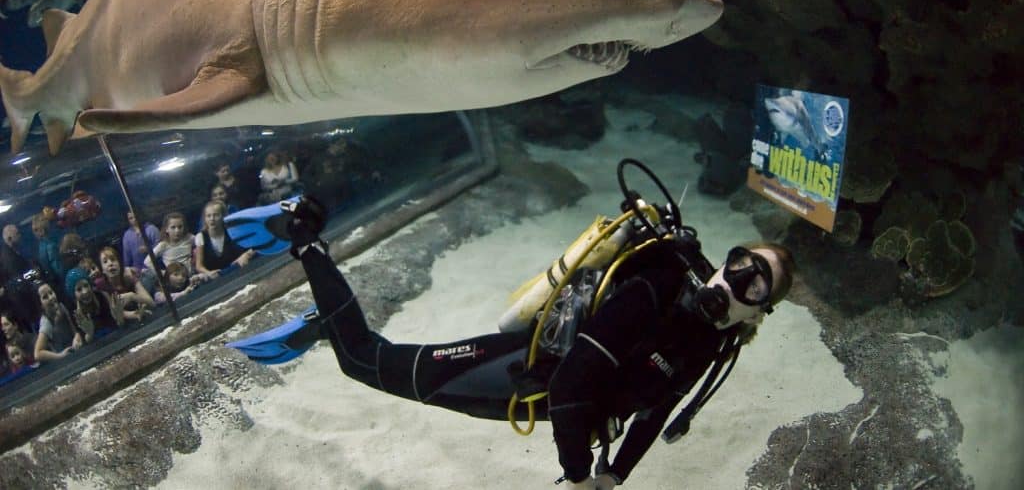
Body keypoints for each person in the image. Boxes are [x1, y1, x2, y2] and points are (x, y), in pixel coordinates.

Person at [235, 191, 795, 488]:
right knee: (365, 363)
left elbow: (656, 409)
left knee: (366, 357)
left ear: (758, 312)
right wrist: (578, 477)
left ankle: (325, 319)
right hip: (515, 370)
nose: (736, 279)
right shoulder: (658, 287)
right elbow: (572, 384)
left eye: (754, 282)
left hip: (531, 396)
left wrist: (615, 474)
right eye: (739, 263)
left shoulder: (712, 343)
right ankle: (302, 231)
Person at [194, 201, 256, 276]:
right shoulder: (200, 237)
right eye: (208, 216)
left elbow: (255, 245)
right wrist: (208, 273)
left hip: (237, 271)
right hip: (216, 277)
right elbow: (199, 266)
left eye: (216, 215)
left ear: (223, 216)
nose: (212, 219)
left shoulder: (233, 230)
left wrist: (246, 254)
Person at [93, 246, 154, 322]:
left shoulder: (129, 277)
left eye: (113, 259)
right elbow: (115, 313)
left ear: (120, 264)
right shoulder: (102, 285)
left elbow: (151, 302)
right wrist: (135, 314)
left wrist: (132, 296)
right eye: (105, 262)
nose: (110, 263)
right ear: (102, 270)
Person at [34, 281, 83, 362]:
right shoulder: (46, 322)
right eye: (45, 297)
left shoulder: (62, 307)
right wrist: (60, 356)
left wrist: (77, 337)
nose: (50, 298)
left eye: (51, 293)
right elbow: (37, 354)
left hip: (75, 353)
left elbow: (74, 330)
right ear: (41, 305)